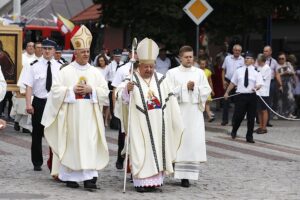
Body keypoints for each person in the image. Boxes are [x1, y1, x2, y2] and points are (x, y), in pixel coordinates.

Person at [41, 25, 110, 190]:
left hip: (90, 118)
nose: (86, 54)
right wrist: (71, 90)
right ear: (75, 53)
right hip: (71, 117)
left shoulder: (95, 73)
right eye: (83, 51)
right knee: (72, 144)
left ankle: (90, 178)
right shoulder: (65, 71)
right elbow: (55, 91)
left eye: (87, 51)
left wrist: (91, 90)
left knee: (90, 144)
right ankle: (71, 177)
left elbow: (105, 93)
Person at [119, 38, 183, 192]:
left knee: (158, 149)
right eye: (145, 67)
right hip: (138, 123)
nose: (148, 69)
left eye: (151, 66)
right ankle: (141, 181)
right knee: (141, 151)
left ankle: (155, 181)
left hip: (159, 124)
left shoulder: (161, 80)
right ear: (139, 66)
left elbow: (170, 99)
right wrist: (127, 90)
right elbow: (119, 96)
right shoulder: (131, 79)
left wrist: (175, 120)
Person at [167, 46, 211, 188]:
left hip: (194, 115)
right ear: (180, 58)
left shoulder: (199, 73)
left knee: (191, 143)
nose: (189, 59)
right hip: (179, 113)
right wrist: (184, 88)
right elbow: (167, 92)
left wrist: (194, 88)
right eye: (186, 57)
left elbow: (206, 90)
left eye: (191, 57)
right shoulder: (172, 73)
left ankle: (187, 177)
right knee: (178, 142)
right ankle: (175, 172)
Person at [23, 39, 61, 171]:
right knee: (37, 134)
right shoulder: (33, 65)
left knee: (55, 133)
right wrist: (28, 104)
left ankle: (54, 163)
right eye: (44, 48)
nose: (47, 51)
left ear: (55, 51)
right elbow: (28, 86)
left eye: (50, 49)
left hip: (54, 104)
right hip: (39, 102)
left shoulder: (60, 66)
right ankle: (37, 162)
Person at [224, 51, 263, 143]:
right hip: (241, 96)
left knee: (251, 117)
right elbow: (233, 83)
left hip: (252, 96)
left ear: (253, 60)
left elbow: (260, 84)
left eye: (248, 58)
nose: (246, 59)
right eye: (245, 58)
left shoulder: (256, 72)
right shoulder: (238, 71)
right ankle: (234, 130)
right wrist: (227, 92)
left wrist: (256, 87)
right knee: (239, 116)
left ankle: (249, 136)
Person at [111, 50, 138, 170]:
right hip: (125, 107)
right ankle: (120, 159)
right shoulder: (122, 69)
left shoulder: (147, 68)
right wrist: (114, 109)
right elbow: (115, 89)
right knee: (123, 135)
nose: (137, 55)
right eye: (135, 52)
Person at [12, 41, 43, 133]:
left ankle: (32, 127)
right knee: (23, 105)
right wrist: (22, 90)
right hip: (28, 90)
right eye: (38, 47)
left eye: (42, 48)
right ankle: (23, 124)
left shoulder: (46, 61)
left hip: (40, 92)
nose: (40, 49)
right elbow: (24, 78)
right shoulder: (30, 62)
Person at [221, 44, 244, 126]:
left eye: (239, 50)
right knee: (225, 101)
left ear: (240, 52)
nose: (237, 52)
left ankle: (234, 120)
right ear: (233, 50)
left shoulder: (243, 60)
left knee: (237, 103)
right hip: (228, 81)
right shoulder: (227, 58)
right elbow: (223, 70)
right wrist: (223, 80)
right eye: (236, 50)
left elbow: (243, 73)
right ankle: (224, 120)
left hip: (237, 83)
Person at [263, 46, 282, 125]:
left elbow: (277, 73)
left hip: (271, 82)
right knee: (260, 101)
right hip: (261, 83)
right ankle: (260, 119)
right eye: (264, 51)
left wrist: (280, 84)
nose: (265, 52)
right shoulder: (260, 60)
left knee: (269, 101)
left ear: (270, 52)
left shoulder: (274, 61)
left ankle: (267, 121)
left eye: (267, 51)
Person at [276, 52, 296, 118]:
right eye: (280, 58)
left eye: (282, 58)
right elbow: (276, 75)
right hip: (280, 83)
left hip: (288, 83)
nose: (281, 60)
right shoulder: (277, 65)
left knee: (290, 98)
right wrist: (284, 73)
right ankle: (280, 114)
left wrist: (294, 81)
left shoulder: (288, 64)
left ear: (285, 59)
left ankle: (289, 113)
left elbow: (293, 72)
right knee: (280, 99)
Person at [255, 54, 271, 134]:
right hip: (257, 92)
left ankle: (264, 128)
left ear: (262, 61)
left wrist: (257, 86)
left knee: (264, 110)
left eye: (259, 61)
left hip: (264, 92)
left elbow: (262, 80)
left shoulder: (267, 68)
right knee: (259, 110)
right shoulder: (259, 67)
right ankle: (260, 126)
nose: (257, 62)